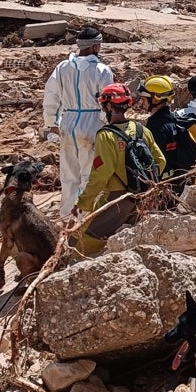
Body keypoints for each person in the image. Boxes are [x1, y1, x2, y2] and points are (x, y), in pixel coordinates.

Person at [70, 83, 166, 255]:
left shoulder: (106, 135)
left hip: (117, 198)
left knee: (82, 239)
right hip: (143, 197)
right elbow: (160, 161)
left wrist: (83, 203)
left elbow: (101, 175)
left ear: (108, 106)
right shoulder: (142, 130)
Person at [43, 27, 114, 218]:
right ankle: (84, 218)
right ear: (96, 46)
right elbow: (106, 101)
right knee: (89, 174)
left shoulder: (63, 67)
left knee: (68, 175)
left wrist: (51, 123)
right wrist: (107, 124)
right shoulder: (102, 70)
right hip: (92, 124)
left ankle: (67, 216)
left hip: (68, 122)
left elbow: (51, 95)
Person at [138, 75, 196, 192]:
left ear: (155, 99)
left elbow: (155, 162)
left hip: (164, 189)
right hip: (179, 184)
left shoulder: (156, 126)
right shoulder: (175, 120)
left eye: (144, 98)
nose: (142, 101)